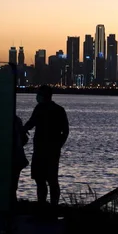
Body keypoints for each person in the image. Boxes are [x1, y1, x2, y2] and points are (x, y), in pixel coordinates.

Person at [23, 85, 69, 213]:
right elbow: (65, 131)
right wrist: (59, 145)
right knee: (49, 179)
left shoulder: (42, 109)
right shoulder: (58, 110)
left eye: (39, 93)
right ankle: (50, 205)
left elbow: (31, 123)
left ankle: (44, 204)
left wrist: (22, 129)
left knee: (43, 180)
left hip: (43, 150)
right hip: (48, 150)